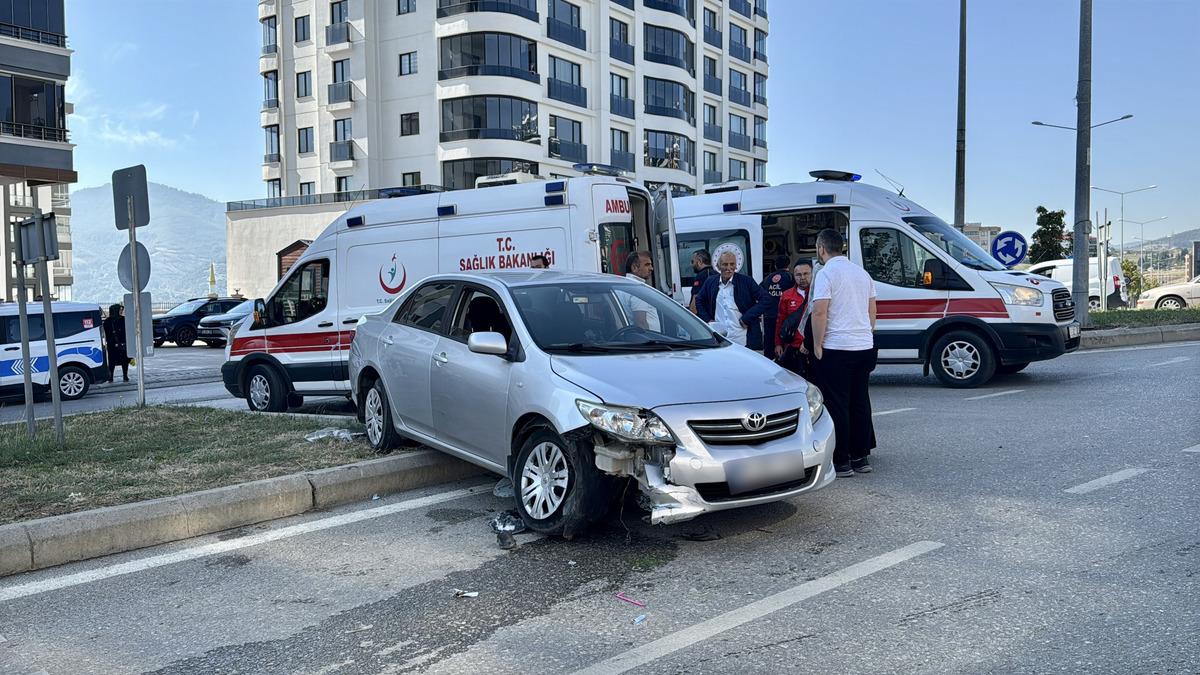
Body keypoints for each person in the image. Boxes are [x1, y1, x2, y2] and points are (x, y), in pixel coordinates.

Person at [809, 228, 878, 477]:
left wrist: (817, 344)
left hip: (837, 346)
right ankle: (861, 457)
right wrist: (866, 333)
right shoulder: (862, 273)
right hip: (864, 345)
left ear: (821, 248)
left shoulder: (826, 273)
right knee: (860, 401)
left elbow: (820, 311)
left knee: (838, 404)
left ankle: (842, 460)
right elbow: (872, 311)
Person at [695, 251, 772, 349]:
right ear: (718, 266)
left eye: (732, 264)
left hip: (743, 339)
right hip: (720, 340)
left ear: (736, 266)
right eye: (725, 264)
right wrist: (708, 321)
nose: (729, 268)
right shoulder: (710, 282)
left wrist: (747, 318)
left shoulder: (746, 281)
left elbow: (766, 299)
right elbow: (699, 300)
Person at [775, 260, 813, 377]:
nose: (802, 278)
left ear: (812, 274)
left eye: (806, 274)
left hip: (813, 347)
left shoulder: (820, 293)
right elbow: (780, 321)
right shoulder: (786, 296)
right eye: (798, 275)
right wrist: (778, 344)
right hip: (793, 347)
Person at [759, 254, 796, 359]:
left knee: (769, 343)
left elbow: (758, 292)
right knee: (785, 341)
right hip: (785, 316)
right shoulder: (790, 277)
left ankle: (769, 362)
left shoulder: (767, 278)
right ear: (789, 265)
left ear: (775, 265)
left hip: (769, 315)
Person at [623, 250, 662, 331]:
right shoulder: (637, 289)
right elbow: (641, 323)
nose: (651, 268)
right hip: (649, 338)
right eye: (647, 265)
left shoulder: (624, 285)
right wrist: (650, 338)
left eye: (651, 265)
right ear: (634, 268)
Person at [103, 303, 130, 382]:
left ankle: (114, 377)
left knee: (115, 361)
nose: (121, 311)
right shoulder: (122, 320)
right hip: (118, 344)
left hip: (114, 345)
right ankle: (122, 376)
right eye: (120, 310)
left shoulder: (107, 321)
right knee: (121, 361)